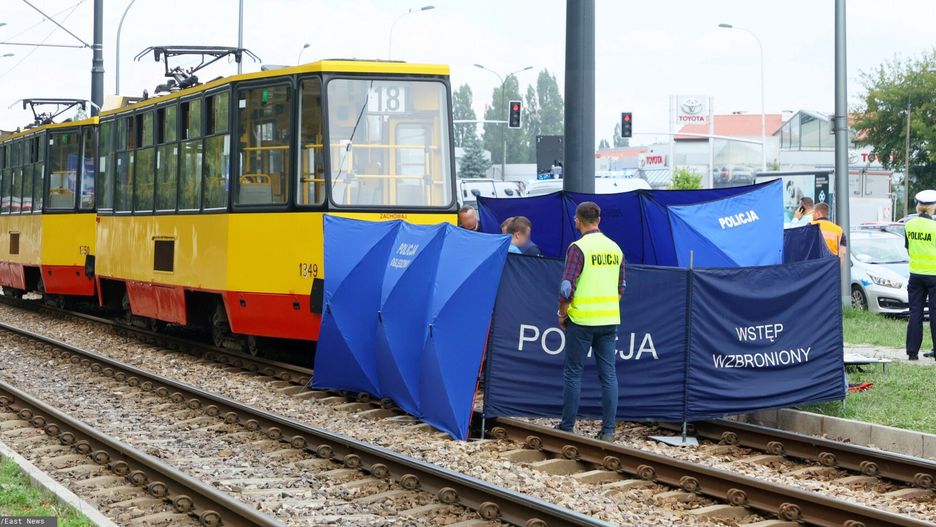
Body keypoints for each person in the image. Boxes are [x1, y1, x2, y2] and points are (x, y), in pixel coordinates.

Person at [556, 201, 624, 442]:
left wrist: (562, 313)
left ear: (577, 220)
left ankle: (567, 427)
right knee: (609, 375)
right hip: (608, 320)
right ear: (599, 219)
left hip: (582, 320)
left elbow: (566, 288)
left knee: (573, 373)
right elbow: (621, 287)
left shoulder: (578, 248)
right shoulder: (615, 248)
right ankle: (608, 431)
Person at [904, 190, 936, 361]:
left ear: (918, 206)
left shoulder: (909, 225)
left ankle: (912, 352)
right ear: (932, 207)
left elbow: (908, 250)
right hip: (934, 275)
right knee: (935, 313)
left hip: (915, 275)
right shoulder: (934, 227)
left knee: (915, 313)